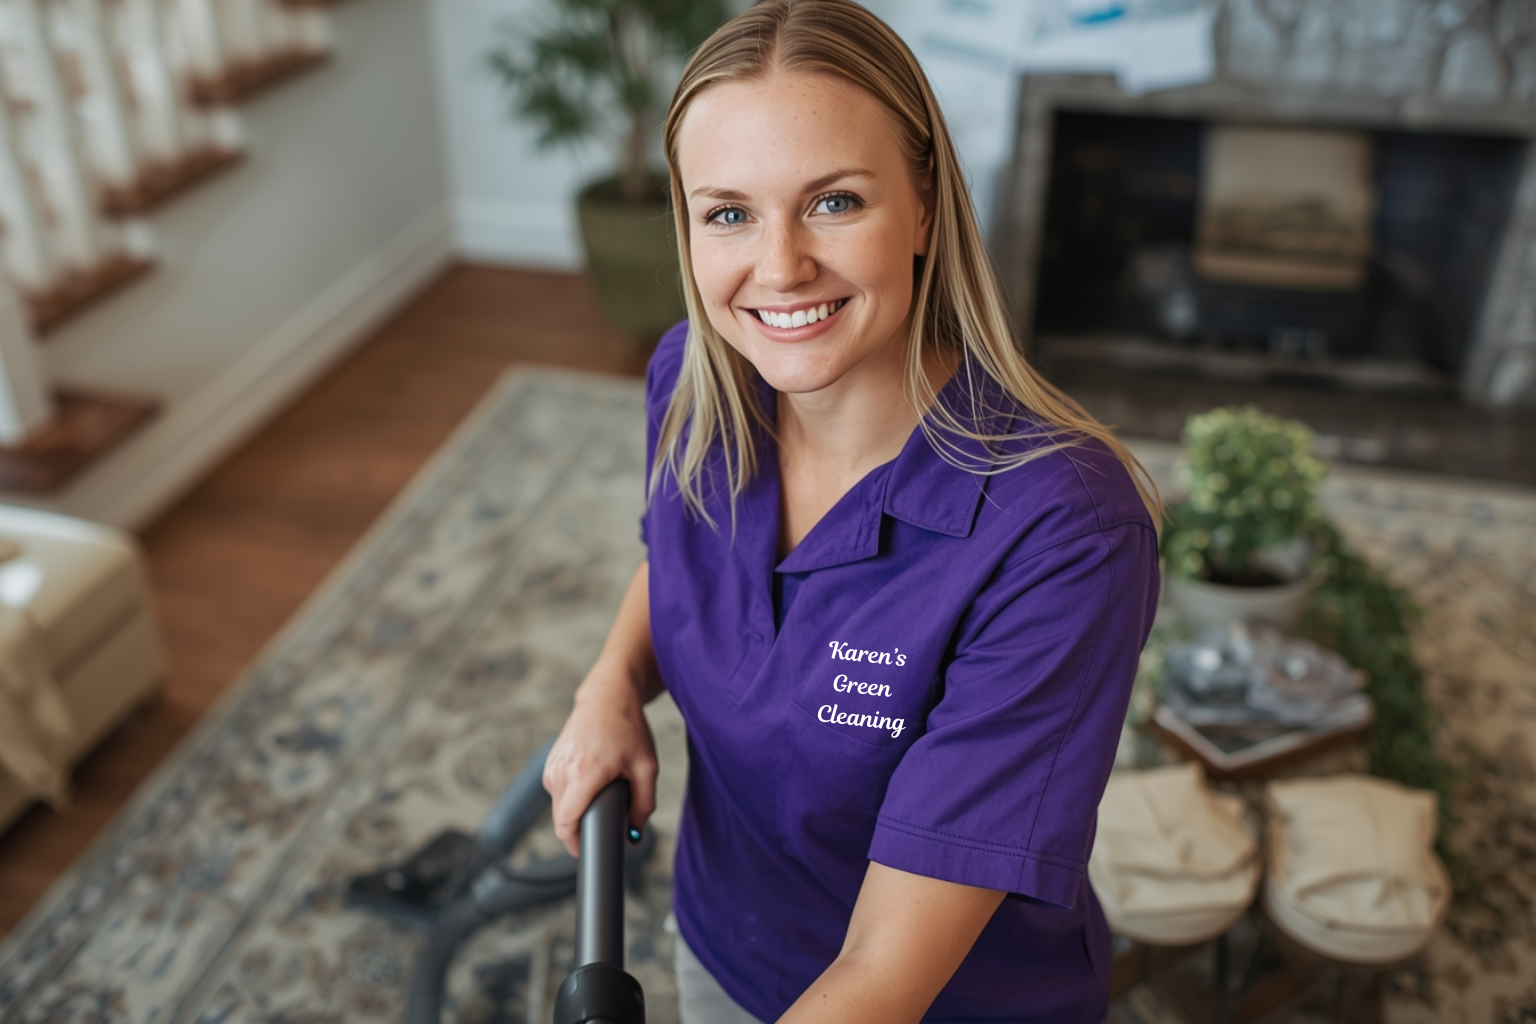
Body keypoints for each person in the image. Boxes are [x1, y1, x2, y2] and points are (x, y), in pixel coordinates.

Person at [542, 1, 1161, 1021]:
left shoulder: (1067, 533)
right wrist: (608, 686)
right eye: (728, 212)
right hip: (721, 943)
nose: (779, 267)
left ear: (924, 206)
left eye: (833, 202)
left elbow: (882, 970)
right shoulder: (695, 384)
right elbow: (686, 570)